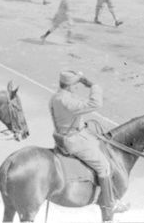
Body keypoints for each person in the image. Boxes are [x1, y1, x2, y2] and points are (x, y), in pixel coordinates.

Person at [50, 70, 129, 219]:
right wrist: (93, 86)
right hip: (74, 140)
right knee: (104, 165)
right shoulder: (68, 100)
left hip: (67, 134)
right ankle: (110, 203)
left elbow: (66, 117)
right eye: (75, 84)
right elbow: (95, 103)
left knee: (100, 141)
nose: (77, 87)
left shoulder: (55, 97)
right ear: (70, 85)